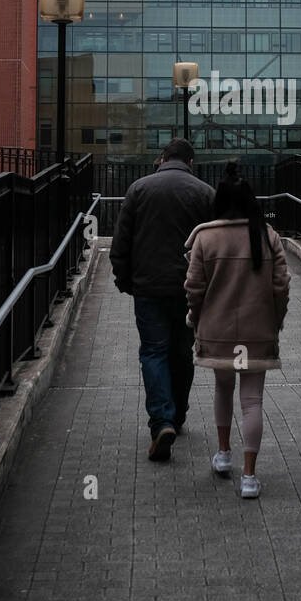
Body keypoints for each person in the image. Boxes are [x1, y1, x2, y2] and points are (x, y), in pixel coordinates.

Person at [184, 161, 290, 499]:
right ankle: (249, 476)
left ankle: (224, 453)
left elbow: (194, 288)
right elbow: (281, 287)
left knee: (222, 390)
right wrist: (277, 320)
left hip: (217, 332)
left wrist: (196, 319)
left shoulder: (205, 237)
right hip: (258, 333)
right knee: (252, 401)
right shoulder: (266, 236)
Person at [110, 138, 214, 462]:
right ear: (191, 162)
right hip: (188, 289)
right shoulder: (205, 193)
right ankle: (177, 414)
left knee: (154, 352)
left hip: (149, 288)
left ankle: (162, 422)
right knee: (182, 351)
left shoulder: (139, 189)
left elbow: (121, 242)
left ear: (162, 158)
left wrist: (125, 280)